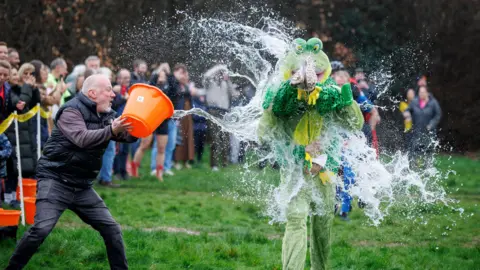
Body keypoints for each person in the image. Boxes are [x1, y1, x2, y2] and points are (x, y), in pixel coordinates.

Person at [5, 74, 136, 270]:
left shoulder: (107, 113)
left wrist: (145, 122)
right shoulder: (71, 111)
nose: (113, 93)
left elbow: (128, 136)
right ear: (92, 93)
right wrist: (111, 131)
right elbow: (82, 138)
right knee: (40, 229)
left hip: (82, 186)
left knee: (112, 229)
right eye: (108, 90)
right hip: (55, 180)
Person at [4, 63, 40, 208]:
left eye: (30, 74)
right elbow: (20, 104)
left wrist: (34, 89)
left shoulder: (23, 88)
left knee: (22, 167)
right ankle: (8, 197)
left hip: (24, 132)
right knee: (11, 167)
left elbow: (35, 103)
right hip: (12, 132)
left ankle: (19, 196)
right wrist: (27, 87)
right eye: (23, 73)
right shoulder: (10, 90)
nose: (27, 76)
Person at [133, 70, 170, 180]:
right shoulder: (151, 87)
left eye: (164, 76)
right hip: (150, 119)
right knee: (144, 145)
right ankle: (134, 171)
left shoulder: (169, 87)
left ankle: (159, 174)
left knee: (162, 148)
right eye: (159, 76)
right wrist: (155, 79)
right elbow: (147, 95)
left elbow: (175, 93)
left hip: (163, 121)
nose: (161, 78)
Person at [203, 64, 237, 171]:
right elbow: (207, 76)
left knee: (225, 139)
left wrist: (228, 80)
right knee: (215, 139)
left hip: (225, 113)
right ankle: (214, 165)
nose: (222, 74)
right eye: (221, 72)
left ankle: (225, 163)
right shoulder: (210, 83)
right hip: (213, 112)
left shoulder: (225, 83)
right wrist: (219, 67)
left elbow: (235, 94)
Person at [405, 85, 442, 167]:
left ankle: (428, 168)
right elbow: (407, 110)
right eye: (420, 92)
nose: (421, 94)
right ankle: (413, 168)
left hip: (429, 131)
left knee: (428, 150)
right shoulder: (414, 101)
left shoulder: (433, 102)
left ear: (427, 93)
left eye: (423, 92)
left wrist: (431, 124)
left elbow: (438, 115)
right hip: (417, 131)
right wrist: (407, 114)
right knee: (414, 150)